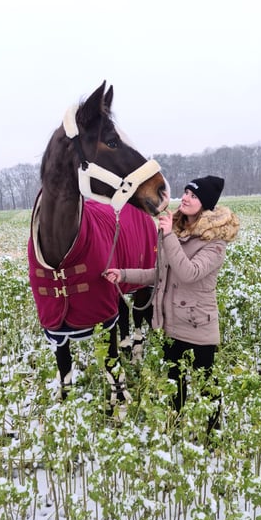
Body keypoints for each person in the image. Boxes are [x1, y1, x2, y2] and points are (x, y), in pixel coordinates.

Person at [104, 175, 240, 430]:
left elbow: (189, 273)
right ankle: (176, 428)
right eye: (186, 192)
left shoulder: (215, 242)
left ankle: (213, 435)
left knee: (207, 385)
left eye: (194, 195)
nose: (186, 198)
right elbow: (159, 274)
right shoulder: (178, 231)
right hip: (171, 324)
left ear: (206, 203)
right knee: (174, 383)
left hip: (198, 326)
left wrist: (168, 236)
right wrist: (123, 274)